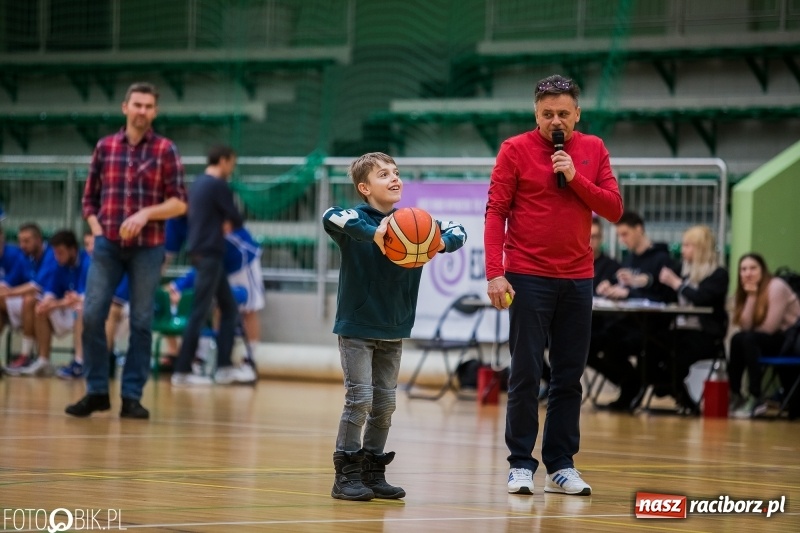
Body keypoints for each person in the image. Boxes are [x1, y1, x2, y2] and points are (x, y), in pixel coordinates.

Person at [484, 74, 623, 497]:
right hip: (527, 275)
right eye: (547, 114)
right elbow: (495, 212)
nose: (555, 121)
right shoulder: (514, 150)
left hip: (578, 278)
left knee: (569, 377)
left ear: (577, 114)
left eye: (563, 113)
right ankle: (521, 463)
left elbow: (613, 209)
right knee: (525, 373)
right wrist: (495, 271)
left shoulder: (593, 149)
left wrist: (575, 178)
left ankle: (561, 464)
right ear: (536, 113)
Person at [323, 152, 466, 501]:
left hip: (394, 329)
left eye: (396, 172)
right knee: (360, 400)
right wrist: (375, 234)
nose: (394, 178)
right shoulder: (355, 219)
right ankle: (345, 475)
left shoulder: (414, 222)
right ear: (364, 187)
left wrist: (440, 243)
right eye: (384, 174)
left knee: (385, 406)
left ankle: (373, 471)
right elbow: (330, 216)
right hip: (357, 327)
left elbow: (459, 231)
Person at [66, 81, 187, 419]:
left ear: (155, 111)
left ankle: (132, 396)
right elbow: (88, 199)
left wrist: (147, 213)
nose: (142, 111)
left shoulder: (165, 149)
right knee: (91, 316)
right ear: (125, 108)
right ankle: (96, 391)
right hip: (106, 247)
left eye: (149, 106)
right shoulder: (105, 147)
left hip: (148, 249)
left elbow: (179, 203)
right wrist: (95, 229)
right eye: (137, 105)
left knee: (142, 322)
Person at [170, 144, 254, 387]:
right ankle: (183, 369)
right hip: (209, 253)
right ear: (224, 160)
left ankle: (224, 367)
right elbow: (236, 217)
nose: (232, 169)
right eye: (232, 163)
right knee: (199, 312)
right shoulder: (217, 184)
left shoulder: (198, 183)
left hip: (203, 252)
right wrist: (227, 222)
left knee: (228, 309)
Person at [591, 210, 678, 411]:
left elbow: (664, 298)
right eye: (619, 235)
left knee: (611, 346)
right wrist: (610, 288)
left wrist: (628, 293)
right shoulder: (629, 259)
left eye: (625, 234)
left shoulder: (661, 259)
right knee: (589, 342)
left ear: (639, 229)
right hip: (629, 322)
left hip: (652, 327)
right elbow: (625, 287)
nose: (622, 240)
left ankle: (631, 385)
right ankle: (629, 384)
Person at [168, 225, 265, 374]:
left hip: (242, 261)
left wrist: (179, 286)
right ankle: (204, 358)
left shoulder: (211, 215)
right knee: (216, 306)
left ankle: (249, 357)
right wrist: (176, 288)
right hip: (217, 260)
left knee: (249, 309)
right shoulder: (179, 221)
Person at [655, 225, 729, 413]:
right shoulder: (681, 269)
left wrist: (677, 284)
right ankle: (668, 389)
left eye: (688, 245)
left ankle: (679, 396)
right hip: (679, 329)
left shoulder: (717, 274)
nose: (683, 249)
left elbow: (701, 298)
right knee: (651, 346)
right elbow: (663, 297)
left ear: (701, 248)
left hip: (704, 333)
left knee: (677, 356)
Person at [728, 253, 800, 418]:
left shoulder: (776, 286)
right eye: (743, 269)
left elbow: (770, 327)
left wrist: (752, 297)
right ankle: (736, 394)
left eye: (753, 268)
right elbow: (745, 326)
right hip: (765, 339)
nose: (748, 273)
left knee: (748, 338)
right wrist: (752, 297)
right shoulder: (747, 291)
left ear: (763, 270)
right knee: (737, 338)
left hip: (789, 339)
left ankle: (756, 395)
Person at [11, 230, 90, 377]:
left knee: (81, 309)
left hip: (83, 311)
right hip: (66, 309)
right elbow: (50, 292)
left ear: (73, 250)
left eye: (60, 253)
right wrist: (46, 303)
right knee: (40, 307)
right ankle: (43, 361)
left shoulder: (87, 262)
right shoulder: (59, 264)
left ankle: (79, 362)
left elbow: (82, 297)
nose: (57, 257)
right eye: (55, 253)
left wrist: (55, 304)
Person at [0, 223, 55, 370]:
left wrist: (9, 292)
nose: (22, 245)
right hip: (33, 306)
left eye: (26, 241)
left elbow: (36, 286)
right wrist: (5, 290)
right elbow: (8, 282)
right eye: (20, 241)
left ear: (38, 239)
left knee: (30, 300)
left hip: (56, 305)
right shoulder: (26, 257)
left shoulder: (51, 254)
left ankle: (26, 356)